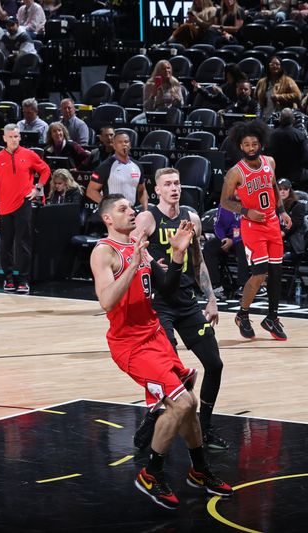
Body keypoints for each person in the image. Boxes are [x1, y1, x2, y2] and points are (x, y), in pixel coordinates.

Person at [89, 194, 232, 509]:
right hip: (130, 344)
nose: (131, 212)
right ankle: (151, 473)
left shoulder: (138, 246)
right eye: (123, 209)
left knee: (187, 402)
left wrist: (178, 254)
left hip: (153, 334)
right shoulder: (105, 252)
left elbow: (167, 287)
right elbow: (106, 301)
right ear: (108, 219)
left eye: (132, 207)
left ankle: (199, 470)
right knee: (181, 402)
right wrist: (133, 264)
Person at [133, 167, 229, 451]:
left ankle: (207, 427)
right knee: (169, 372)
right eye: (168, 184)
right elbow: (133, 248)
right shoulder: (148, 218)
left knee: (214, 364)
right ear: (157, 190)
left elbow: (198, 261)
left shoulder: (192, 219)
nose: (174, 188)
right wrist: (150, 263)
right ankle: (153, 417)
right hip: (159, 304)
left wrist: (210, 298)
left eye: (177, 183)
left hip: (187, 302)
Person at [219, 120, 292, 341]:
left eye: (254, 143)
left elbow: (274, 189)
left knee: (277, 273)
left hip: (272, 223)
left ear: (260, 143)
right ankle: (243, 314)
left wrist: (282, 212)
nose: (251, 147)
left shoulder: (270, 161)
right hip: (252, 226)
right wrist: (246, 211)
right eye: (247, 144)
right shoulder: (235, 172)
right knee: (260, 274)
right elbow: (224, 202)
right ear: (241, 146)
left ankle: (272, 317)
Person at [0, 124, 51, 295]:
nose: (14, 139)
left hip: (23, 206)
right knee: (5, 245)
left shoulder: (29, 155)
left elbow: (45, 170)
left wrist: (38, 188)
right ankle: (8, 278)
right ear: (4, 138)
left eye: (16, 136)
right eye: (11, 137)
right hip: (4, 208)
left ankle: (23, 280)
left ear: (20, 137)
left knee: (23, 244)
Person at [87, 131, 148, 211]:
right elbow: (91, 191)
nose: (124, 144)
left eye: (126, 142)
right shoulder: (105, 166)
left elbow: (142, 190)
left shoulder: (137, 166)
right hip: (113, 212)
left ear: (130, 145)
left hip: (131, 210)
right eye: (120, 142)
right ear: (114, 146)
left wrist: (145, 210)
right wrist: (108, 205)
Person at [265, 108, 308, 195]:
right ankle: (305, 200)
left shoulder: (270, 135)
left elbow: (264, 156)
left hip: (275, 173)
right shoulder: (299, 135)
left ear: (279, 120)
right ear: (293, 120)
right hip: (295, 173)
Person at [202, 202, 249, 297]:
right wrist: (223, 238)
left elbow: (248, 226)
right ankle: (216, 285)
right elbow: (218, 225)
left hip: (245, 238)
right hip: (227, 238)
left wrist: (233, 240)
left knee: (242, 246)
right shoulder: (224, 205)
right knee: (209, 247)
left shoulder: (250, 204)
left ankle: (243, 285)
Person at [255, 55, 301, 120]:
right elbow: (256, 98)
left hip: (280, 118)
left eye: (277, 64)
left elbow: (298, 95)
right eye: (272, 64)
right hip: (263, 116)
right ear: (268, 66)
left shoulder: (288, 81)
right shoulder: (261, 82)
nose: (275, 66)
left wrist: (279, 97)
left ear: (281, 67)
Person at [278, 178, 307, 255]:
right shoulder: (272, 205)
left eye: (285, 189)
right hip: (276, 236)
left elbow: (295, 225)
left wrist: (283, 233)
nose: (282, 192)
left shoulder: (298, 206)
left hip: (290, 239)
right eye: (280, 189)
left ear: (290, 191)